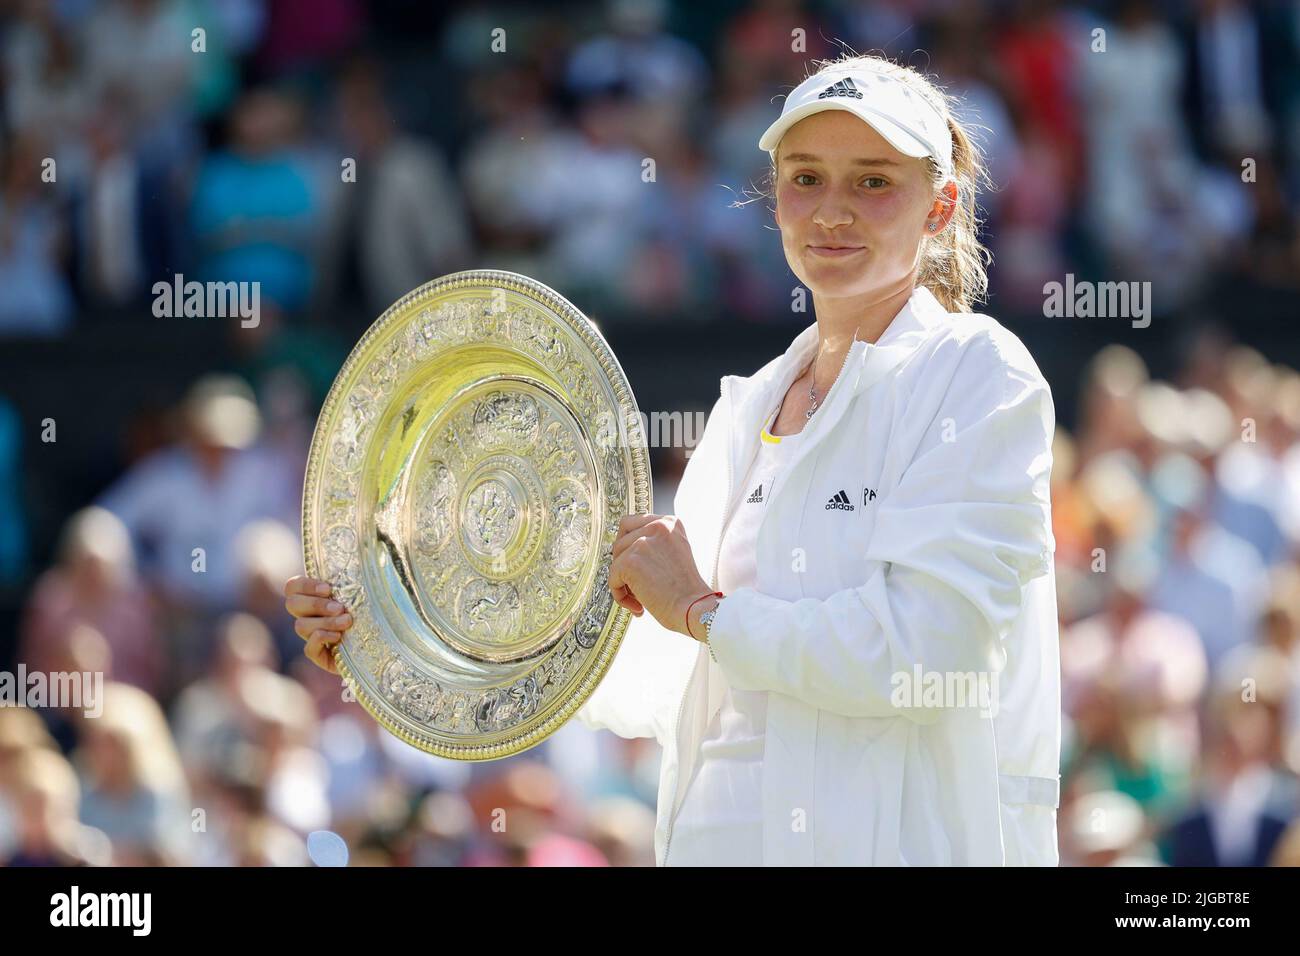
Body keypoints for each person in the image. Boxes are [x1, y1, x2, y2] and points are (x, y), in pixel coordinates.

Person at [285, 53, 1061, 866]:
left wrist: (702, 610)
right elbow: (669, 679)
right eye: (806, 179)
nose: (833, 211)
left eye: (873, 182)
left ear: (939, 209)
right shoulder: (743, 410)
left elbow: (925, 651)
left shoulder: (978, 373)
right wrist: (399, 633)